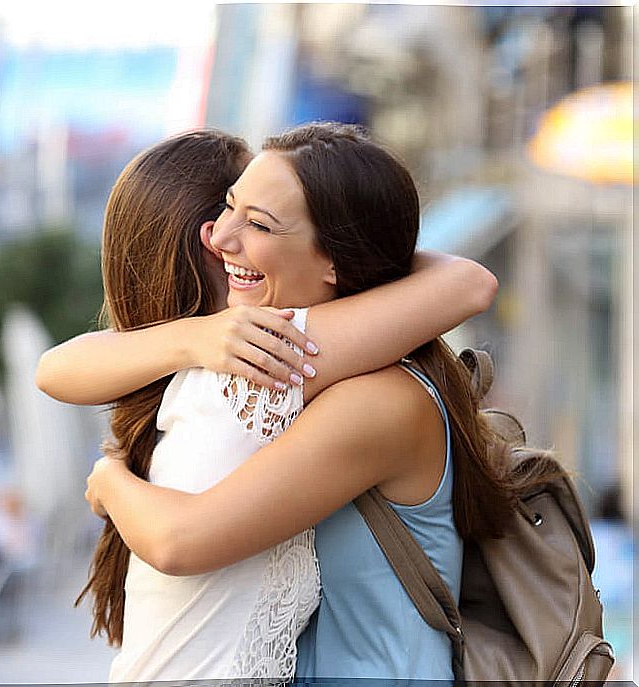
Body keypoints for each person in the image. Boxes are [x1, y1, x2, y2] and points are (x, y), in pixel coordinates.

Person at [80, 122, 561, 680]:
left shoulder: (374, 397)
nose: (219, 236)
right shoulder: (310, 369)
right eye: (230, 206)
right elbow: (61, 367)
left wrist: (110, 479)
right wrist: (191, 338)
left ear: (335, 260)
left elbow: (179, 541)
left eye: (259, 223)